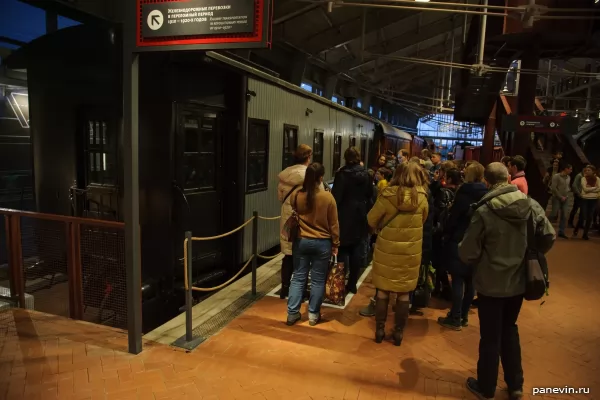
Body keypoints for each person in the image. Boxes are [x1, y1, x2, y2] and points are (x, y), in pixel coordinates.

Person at [458, 162, 555, 400]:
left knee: (490, 336)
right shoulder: (530, 205)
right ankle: (515, 385)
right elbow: (549, 236)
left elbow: (467, 252)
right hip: (520, 281)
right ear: (509, 177)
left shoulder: (484, 210)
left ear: (488, 182)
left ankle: (486, 387)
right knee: (510, 329)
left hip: (491, 283)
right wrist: (530, 252)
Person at [367, 162, 429, 345]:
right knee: (403, 293)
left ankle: (379, 330)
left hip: (386, 250)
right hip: (410, 252)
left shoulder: (387, 195)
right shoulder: (422, 198)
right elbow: (423, 221)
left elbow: (371, 219)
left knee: (383, 291)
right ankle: (399, 332)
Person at [286, 163, 340, 326]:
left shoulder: (297, 194)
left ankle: (292, 314)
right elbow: (334, 224)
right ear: (321, 178)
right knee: (317, 280)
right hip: (322, 243)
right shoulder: (328, 197)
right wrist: (336, 243)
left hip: (301, 241)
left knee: (298, 277)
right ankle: (313, 315)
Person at [438, 162, 488, 331]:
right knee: (470, 281)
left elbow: (454, 219)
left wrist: (446, 234)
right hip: (477, 241)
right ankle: (465, 316)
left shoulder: (464, 192)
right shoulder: (487, 194)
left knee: (458, 279)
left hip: (459, 239)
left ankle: (455, 317)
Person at [278, 145, 321, 299]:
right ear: (308, 157)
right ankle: (300, 291)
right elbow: (318, 197)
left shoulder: (285, 175)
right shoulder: (311, 175)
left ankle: (284, 288)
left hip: (288, 219)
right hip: (305, 218)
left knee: (288, 255)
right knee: (302, 257)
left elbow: (280, 197)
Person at [332, 147, 373, 294]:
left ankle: (340, 283)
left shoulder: (342, 174)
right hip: (360, 215)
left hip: (344, 215)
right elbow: (370, 194)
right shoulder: (366, 174)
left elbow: (336, 197)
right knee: (356, 249)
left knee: (343, 250)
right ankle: (353, 283)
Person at [574, 165, 600, 240]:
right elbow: (585, 189)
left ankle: (585, 234)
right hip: (585, 199)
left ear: (593, 171)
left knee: (590, 217)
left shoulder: (597, 179)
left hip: (594, 199)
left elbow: (599, 188)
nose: (587, 172)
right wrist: (595, 188)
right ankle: (576, 228)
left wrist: (591, 188)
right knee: (583, 216)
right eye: (586, 170)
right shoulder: (583, 178)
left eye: (589, 170)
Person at [550, 163, 572, 239]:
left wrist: (567, 193)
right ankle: (547, 230)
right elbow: (553, 188)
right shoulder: (556, 176)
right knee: (553, 214)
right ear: (565, 169)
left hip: (566, 198)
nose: (571, 171)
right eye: (570, 169)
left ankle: (561, 232)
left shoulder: (568, 177)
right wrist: (560, 196)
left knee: (565, 215)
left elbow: (567, 186)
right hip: (557, 198)